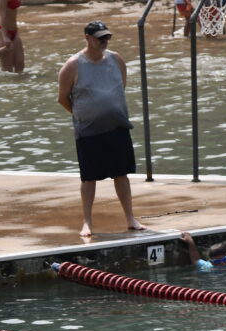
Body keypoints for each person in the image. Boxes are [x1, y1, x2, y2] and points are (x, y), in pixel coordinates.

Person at [57, 21, 146, 238]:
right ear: (87, 38)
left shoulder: (116, 59)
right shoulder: (73, 65)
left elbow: (120, 87)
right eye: (100, 38)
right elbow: (62, 99)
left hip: (117, 126)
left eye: (107, 37)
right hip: (88, 130)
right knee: (89, 178)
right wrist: (83, 115)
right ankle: (87, 222)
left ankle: (130, 218)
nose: (104, 41)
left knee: (121, 174)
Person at [0, 0, 24, 72]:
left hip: (14, 31)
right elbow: (2, 14)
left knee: (20, 65)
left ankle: (19, 83)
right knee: (7, 69)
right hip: (3, 31)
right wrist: (5, 36)